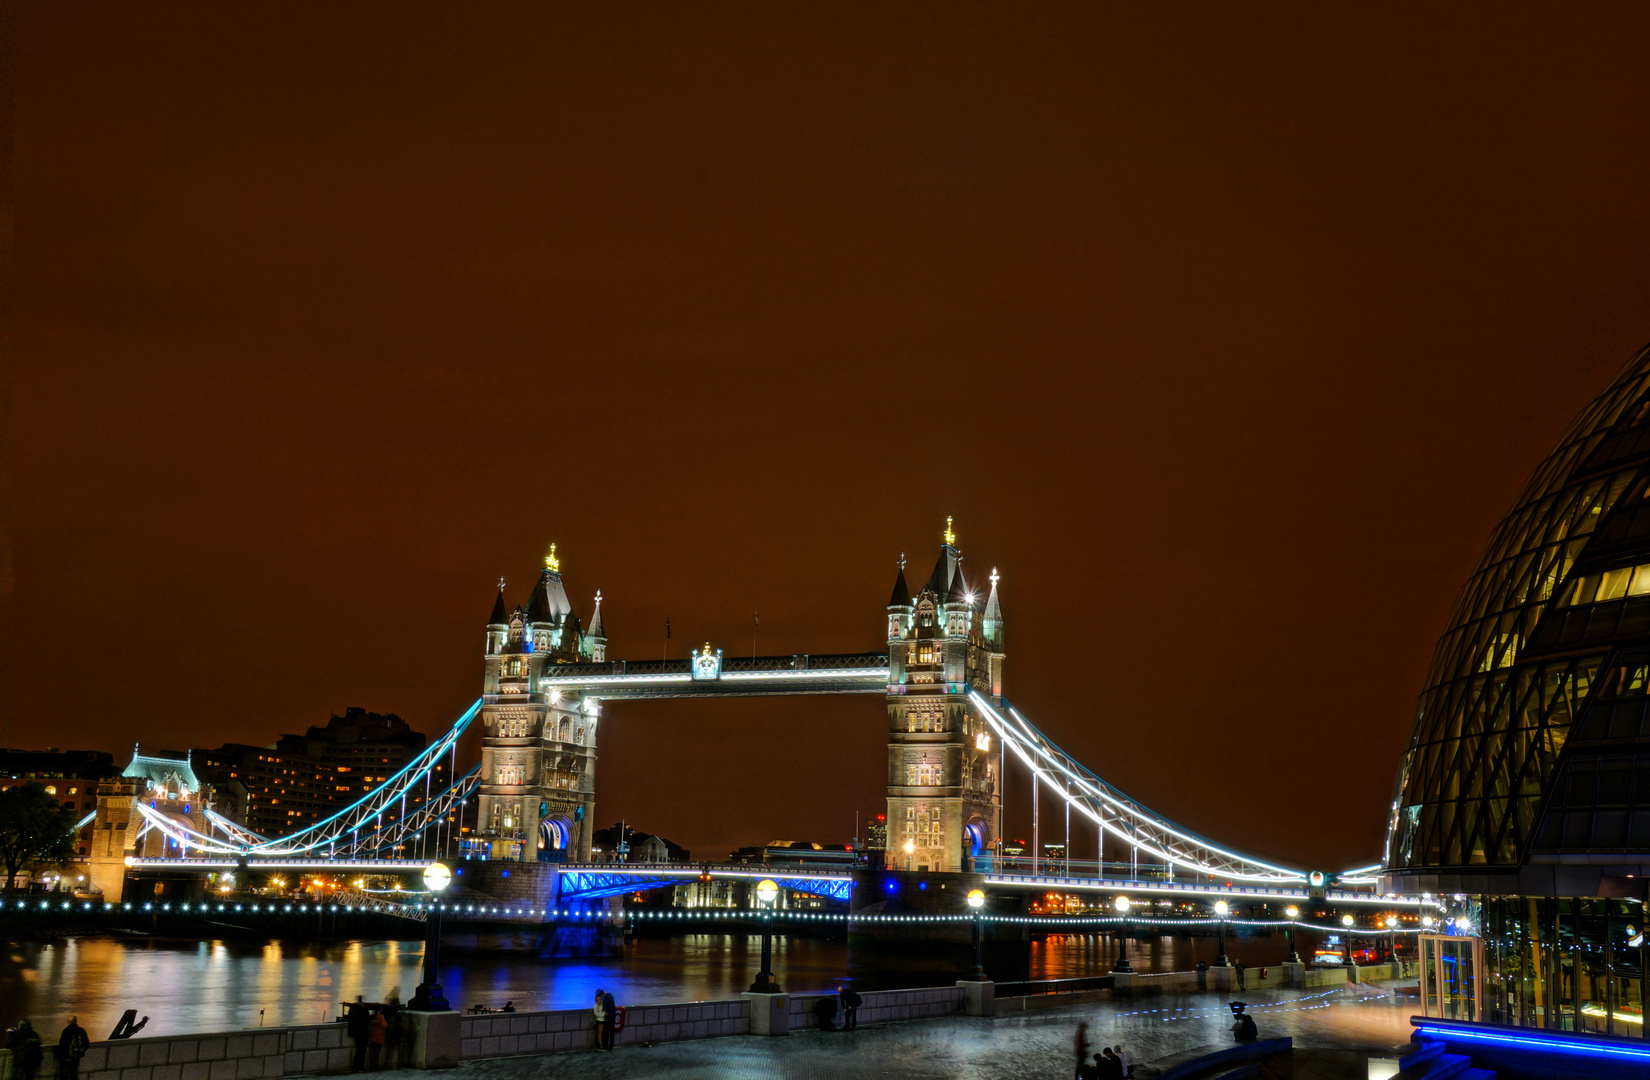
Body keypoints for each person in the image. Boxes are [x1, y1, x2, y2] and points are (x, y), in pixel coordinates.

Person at [346, 1002, 371, 1072]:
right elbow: (367, 1021)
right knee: (362, 1051)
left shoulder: (354, 1013)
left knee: (358, 1050)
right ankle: (360, 1067)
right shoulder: (364, 1013)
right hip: (363, 1033)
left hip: (356, 1034)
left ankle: (356, 1067)